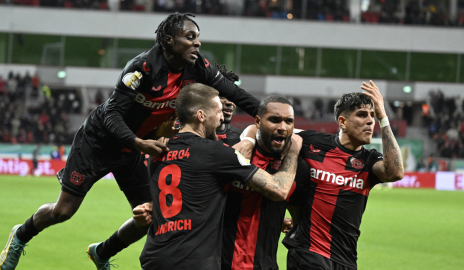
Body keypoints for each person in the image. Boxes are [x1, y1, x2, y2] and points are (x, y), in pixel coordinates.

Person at [0, 12, 260, 270]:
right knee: (63, 211)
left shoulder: (198, 67)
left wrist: (267, 116)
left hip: (132, 149)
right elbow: (111, 114)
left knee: (151, 216)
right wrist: (138, 142)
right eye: (189, 37)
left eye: (198, 38)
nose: (197, 43)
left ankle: (102, 252)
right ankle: (21, 234)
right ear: (168, 40)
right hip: (98, 142)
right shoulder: (142, 68)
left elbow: (234, 93)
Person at [134, 83, 301, 270]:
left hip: (154, 257)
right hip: (193, 260)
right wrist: (293, 151)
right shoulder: (216, 153)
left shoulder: (158, 152)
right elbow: (279, 189)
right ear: (201, 116)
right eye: (218, 111)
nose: (222, 117)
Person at [283, 81, 404, 270]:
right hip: (309, 253)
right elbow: (272, 125)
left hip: (346, 260)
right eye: (362, 115)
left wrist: (383, 117)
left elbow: (395, 172)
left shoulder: (369, 160)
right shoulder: (313, 143)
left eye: (372, 115)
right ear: (342, 122)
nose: (370, 121)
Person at [221, 95, 309, 270]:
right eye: (274, 120)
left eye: (289, 121)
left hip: (265, 265)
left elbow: (298, 221)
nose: (282, 127)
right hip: (220, 263)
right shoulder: (233, 150)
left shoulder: (299, 168)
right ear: (258, 122)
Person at [214, 64, 243, 146]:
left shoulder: (241, 138)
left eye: (232, 97)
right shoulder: (191, 136)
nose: (230, 102)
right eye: (222, 96)